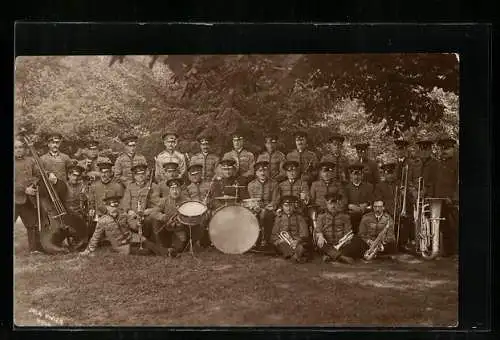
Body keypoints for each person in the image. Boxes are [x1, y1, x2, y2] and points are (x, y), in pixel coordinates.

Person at [80, 194, 173, 257]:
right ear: (107, 207)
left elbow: (133, 224)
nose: (114, 208)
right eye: (111, 206)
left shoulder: (123, 215)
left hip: (132, 239)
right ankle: (165, 252)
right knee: (146, 251)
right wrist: (88, 250)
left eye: (116, 206)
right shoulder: (103, 221)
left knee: (149, 244)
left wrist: (137, 224)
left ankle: (168, 252)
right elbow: (96, 236)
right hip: (121, 246)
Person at [14, 138, 43, 254]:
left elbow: (37, 174)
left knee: (32, 224)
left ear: (25, 149)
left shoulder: (31, 161)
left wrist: (34, 184)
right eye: (15, 148)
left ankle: (34, 249)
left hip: (28, 200)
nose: (18, 150)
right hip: (14, 199)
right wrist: (25, 189)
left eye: (20, 147)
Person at [314, 193, 360, 263]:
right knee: (319, 242)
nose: (333, 206)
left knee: (355, 241)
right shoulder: (321, 217)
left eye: (335, 204)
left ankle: (330, 255)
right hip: (326, 243)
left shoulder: (345, 217)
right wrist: (320, 236)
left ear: (338, 204)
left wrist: (345, 241)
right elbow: (318, 230)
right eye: (330, 204)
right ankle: (341, 257)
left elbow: (348, 232)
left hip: (341, 244)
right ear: (326, 204)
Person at [433, 137, 459, 257]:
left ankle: (455, 251)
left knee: (454, 225)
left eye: (447, 148)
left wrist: (453, 197)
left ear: (453, 148)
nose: (444, 151)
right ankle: (448, 251)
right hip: (440, 199)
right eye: (443, 148)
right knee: (444, 226)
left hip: (451, 200)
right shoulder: (441, 163)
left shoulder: (457, 162)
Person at [149, 178, 189, 255]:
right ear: (169, 191)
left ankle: (176, 247)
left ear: (180, 190)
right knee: (156, 221)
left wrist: (181, 220)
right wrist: (163, 217)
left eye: (177, 188)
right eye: (172, 189)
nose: (175, 191)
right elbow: (154, 212)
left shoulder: (186, 201)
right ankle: (162, 246)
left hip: (180, 230)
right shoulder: (164, 201)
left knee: (179, 248)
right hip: (167, 230)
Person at [120, 164, 161, 237]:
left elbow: (158, 205)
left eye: (142, 173)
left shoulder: (153, 186)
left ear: (146, 174)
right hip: (133, 215)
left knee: (149, 221)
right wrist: (129, 210)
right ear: (134, 176)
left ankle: (149, 241)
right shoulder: (130, 187)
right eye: (138, 174)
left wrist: (149, 211)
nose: (140, 176)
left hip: (146, 216)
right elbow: (125, 202)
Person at [87, 161, 124, 239]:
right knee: (91, 234)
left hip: (113, 215)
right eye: (101, 172)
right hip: (98, 215)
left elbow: (122, 203)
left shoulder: (117, 186)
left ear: (111, 173)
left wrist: (115, 213)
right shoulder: (94, 186)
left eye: (106, 172)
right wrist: (91, 209)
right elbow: (91, 202)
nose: (104, 174)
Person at [247, 161, 280, 247]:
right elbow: (252, 200)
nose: (262, 173)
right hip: (256, 208)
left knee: (267, 215)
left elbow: (275, 199)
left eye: (265, 170)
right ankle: (253, 239)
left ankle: (266, 239)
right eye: (260, 171)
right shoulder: (251, 185)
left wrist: (270, 206)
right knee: (251, 216)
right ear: (256, 173)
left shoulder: (274, 183)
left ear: (268, 171)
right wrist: (256, 207)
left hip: (269, 209)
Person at [270, 196, 310, 263]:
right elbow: (274, 234)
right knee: (283, 245)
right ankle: (296, 255)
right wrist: (279, 240)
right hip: (283, 242)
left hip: (296, 241)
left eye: (291, 206)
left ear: (294, 206)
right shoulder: (279, 218)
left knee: (300, 246)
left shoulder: (299, 217)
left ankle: (293, 255)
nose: (288, 208)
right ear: (282, 206)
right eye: (286, 206)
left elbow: (305, 233)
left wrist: (297, 241)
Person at [344, 163, 374, 233]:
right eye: (354, 174)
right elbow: (343, 201)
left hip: (365, 213)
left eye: (359, 174)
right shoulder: (346, 188)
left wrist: (366, 204)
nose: (356, 177)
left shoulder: (369, 186)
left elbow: (372, 199)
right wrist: (350, 206)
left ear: (362, 175)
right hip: (351, 215)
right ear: (350, 175)